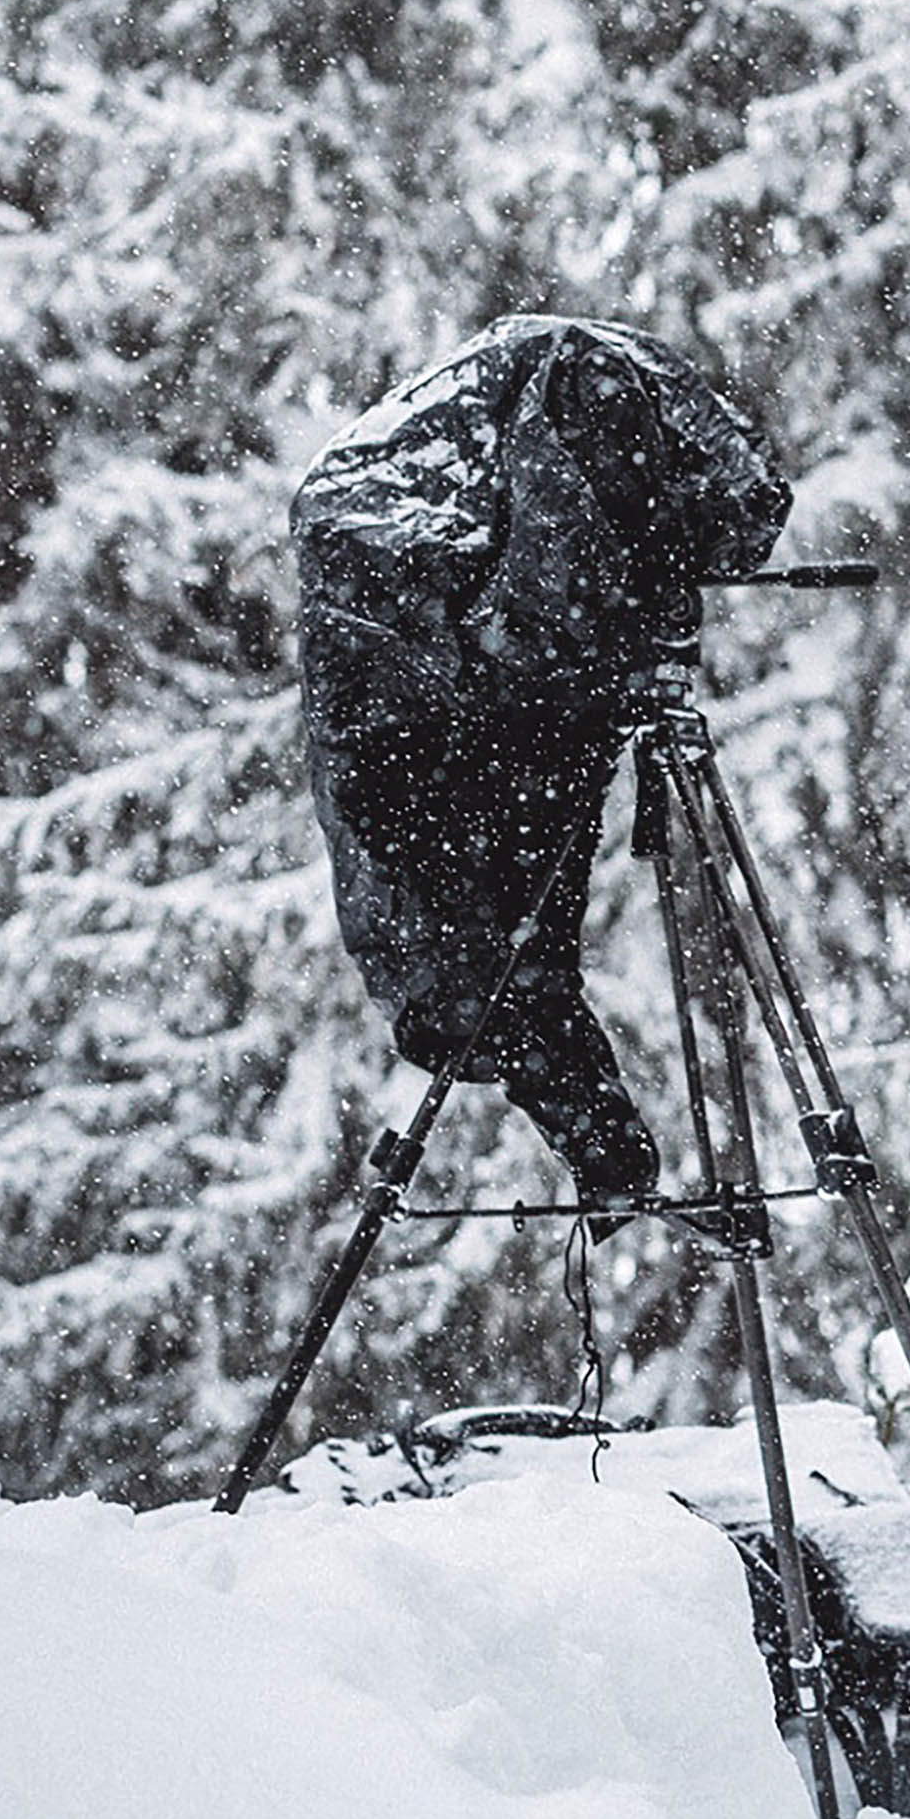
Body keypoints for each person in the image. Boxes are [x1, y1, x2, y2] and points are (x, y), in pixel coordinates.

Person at [293, 316, 791, 1210]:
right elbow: (539, 620)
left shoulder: (431, 797)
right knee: (489, 950)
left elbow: (543, 616)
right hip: (442, 672)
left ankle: (604, 1147)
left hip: (452, 671)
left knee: (491, 953)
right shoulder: (422, 749)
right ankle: (605, 1148)